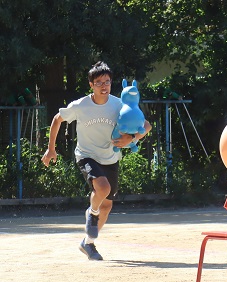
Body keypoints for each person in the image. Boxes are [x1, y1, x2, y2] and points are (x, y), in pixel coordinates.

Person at [41, 61, 152, 260]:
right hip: (86, 155)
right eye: (99, 82)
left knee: (107, 206)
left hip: (110, 157)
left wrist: (132, 138)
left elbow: (146, 125)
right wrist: (51, 149)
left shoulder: (119, 104)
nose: (104, 86)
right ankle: (91, 214)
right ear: (91, 84)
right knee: (103, 188)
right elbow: (57, 119)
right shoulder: (81, 105)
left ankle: (88, 243)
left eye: (107, 82)